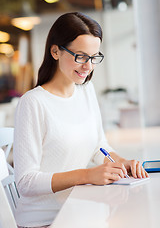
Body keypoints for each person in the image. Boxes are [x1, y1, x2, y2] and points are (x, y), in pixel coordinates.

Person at [13, 12, 149, 228]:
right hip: (45, 221)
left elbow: (99, 147)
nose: (88, 66)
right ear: (55, 51)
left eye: (94, 57)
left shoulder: (86, 91)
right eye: (80, 56)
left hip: (80, 211)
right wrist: (87, 175)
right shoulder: (33, 103)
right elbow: (26, 181)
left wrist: (120, 163)